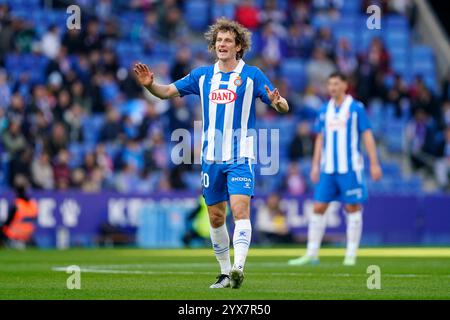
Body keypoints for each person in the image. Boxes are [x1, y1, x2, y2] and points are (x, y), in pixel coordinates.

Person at [134, 18, 289, 289]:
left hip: (241, 155)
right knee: (216, 217)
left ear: (239, 46)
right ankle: (225, 273)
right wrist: (150, 85)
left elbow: (281, 105)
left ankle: (239, 268)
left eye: (228, 40)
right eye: (218, 41)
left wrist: (278, 103)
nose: (222, 44)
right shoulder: (202, 75)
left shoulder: (252, 75)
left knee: (241, 210)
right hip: (211, 158)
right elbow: (167, 91)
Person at [288, 72, 382, 267]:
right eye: (330, 84)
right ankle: (312, 253)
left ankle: (350, 254)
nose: (332, 87)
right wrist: (315, 165)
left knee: (352, 207)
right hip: (328, 168)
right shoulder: (324, 110)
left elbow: (367, 135)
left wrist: (374, 162)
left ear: (345, 86)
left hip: (350, 168)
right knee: (318, 207)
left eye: (336, 84)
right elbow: (320, 139)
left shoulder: (356, 108)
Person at [0, 176, 39, 248]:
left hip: (15, 235)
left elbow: (8, 222)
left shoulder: (17, 204)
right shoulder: (33, 204)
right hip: (29, 235)